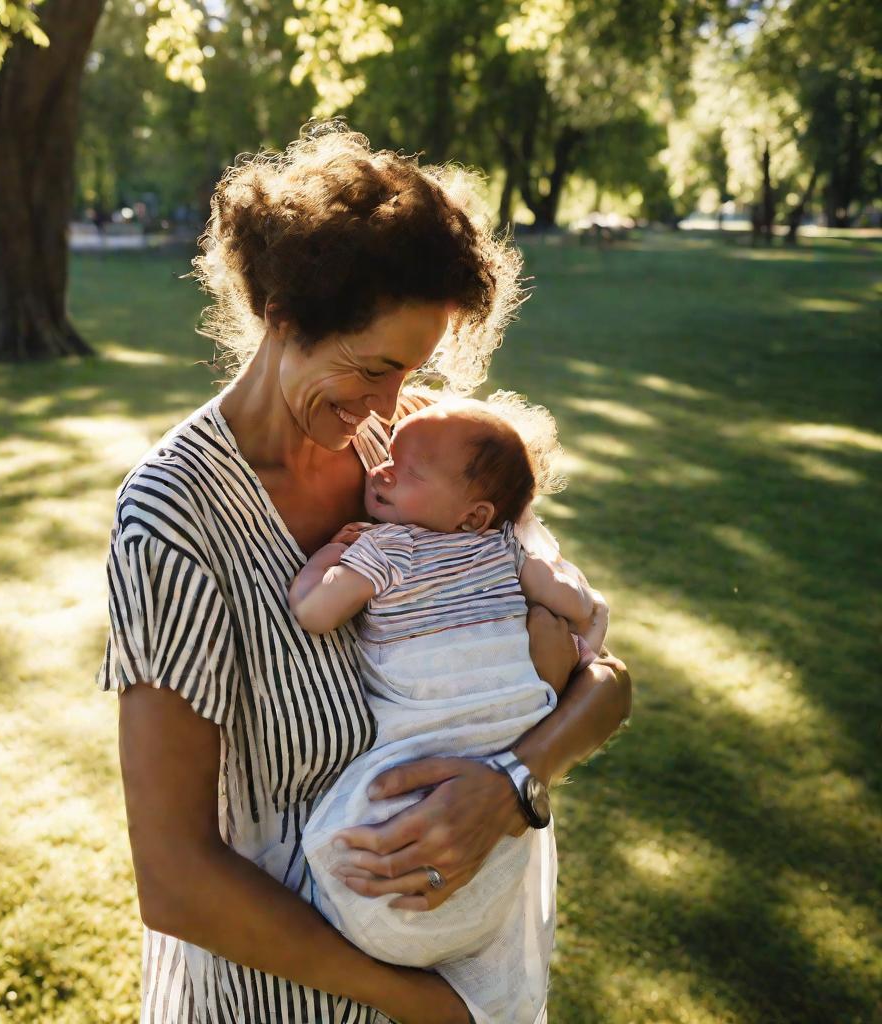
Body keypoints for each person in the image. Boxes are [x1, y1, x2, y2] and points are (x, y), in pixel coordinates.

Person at [98, 122, 632, 1024]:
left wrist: (513, 784)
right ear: (283, 316)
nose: (389, 406)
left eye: (412, 373)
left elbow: (603, 682)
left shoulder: (423, 451)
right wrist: (427, 1005)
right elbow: (175, 879)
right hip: (282, 1002)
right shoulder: (174, 519)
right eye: (374, 368)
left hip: (459, 954)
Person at [291, 396, 607, 1024]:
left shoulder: (386, 551)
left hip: (438, 725)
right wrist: (588, 625)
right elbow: (570, 600)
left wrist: (331, 557)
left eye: (407, 471)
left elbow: (313, 612)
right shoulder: (505, 553)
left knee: (368, 828)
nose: (381, 471)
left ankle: (401, 922)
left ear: (474, 514)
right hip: (506, 725)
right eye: (388, 460)